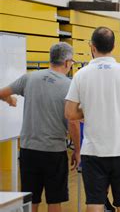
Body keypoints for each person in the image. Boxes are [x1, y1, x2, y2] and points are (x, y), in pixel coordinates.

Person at [65, 27, 120, 212]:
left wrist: (90, 111)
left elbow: (70, 113)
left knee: (94, 202)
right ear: (113, 46)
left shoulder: (81, 74)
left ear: (92, 46)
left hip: (93, 150)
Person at [0, 43, 80, 212]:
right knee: (54, 201)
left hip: (29, 150)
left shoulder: (29, 78)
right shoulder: (69, 86)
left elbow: (1, 93)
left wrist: (9, 100)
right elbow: (73, 122)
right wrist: (77, 150)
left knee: (31, 200)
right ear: (67, 62)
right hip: (54, 152)